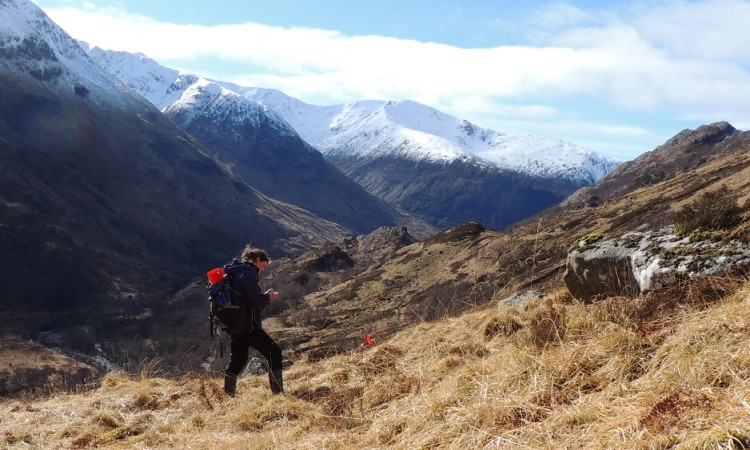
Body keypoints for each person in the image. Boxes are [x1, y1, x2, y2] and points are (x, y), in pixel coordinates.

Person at [223, 246, 283, 396]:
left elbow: (247, 301)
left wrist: (264, 297)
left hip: (236, 325)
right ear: (256, 260)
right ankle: (278, 394)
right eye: (263, 266)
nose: (263, 270)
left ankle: (228, 395)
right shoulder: (248, 274)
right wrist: (268, 296)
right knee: (274, 353)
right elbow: (255, 301)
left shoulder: (237, 273)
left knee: (237, 361)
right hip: (248, 326)